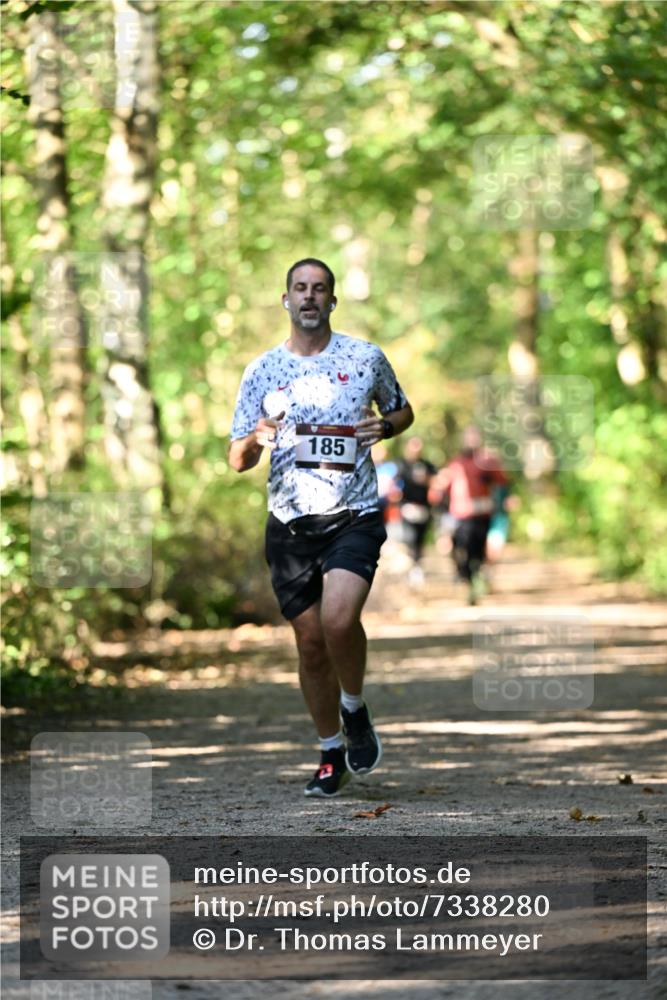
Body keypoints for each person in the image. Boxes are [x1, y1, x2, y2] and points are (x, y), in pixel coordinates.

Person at [229, 258, 414, 797]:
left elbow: (401, 411)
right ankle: (331, 751)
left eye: (320, 289)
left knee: (338, 620)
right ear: (285, 299)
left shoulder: (364, 358)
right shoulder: (261, 371)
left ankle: (354, 708)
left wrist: (386, 425)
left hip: (353, 515)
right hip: (289, 525)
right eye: (300, 288)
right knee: (310, 645)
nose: (310, 297)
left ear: (333, 301)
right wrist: (256, 435)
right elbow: (236, 459)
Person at [429, 425, 508, 605]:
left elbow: (503, 482)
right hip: (461, 516)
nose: (472, 441)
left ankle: (475, 581)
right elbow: (441, 487)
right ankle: (466, 580)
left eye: (475, 437)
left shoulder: (487, 461)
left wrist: (504, 499)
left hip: (482, 515)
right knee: (460, 548)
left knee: (478, 552)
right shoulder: (456, 463)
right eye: (468, 437)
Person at [395, 436, 436, 587]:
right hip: (407, 508)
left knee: (420, 540)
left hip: (424, 509)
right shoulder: (401, 465)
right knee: (409, 539)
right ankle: (413, 566)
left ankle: (417, 566)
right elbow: (394, 484)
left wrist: (428, 481)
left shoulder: (427, 465)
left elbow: (436, 482)